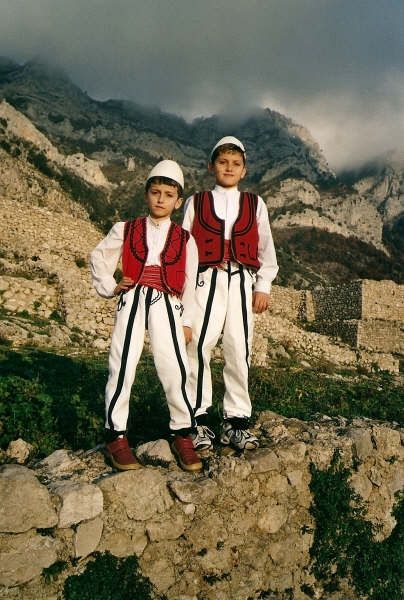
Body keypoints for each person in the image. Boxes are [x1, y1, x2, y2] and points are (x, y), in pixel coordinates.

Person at [90, 160, 202, 472]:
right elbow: (99, 257)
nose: (161, 199)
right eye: (155, 192)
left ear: (178, 202)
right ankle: (116, 435)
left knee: (174, 367)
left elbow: (191, 285)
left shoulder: (185, 239)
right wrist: (112, 286)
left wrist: (188, 322)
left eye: (168, 194)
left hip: (168, 302)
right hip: (134, 296)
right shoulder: (125, 228)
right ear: (146, 194)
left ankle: (182, 433)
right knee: (122, 362)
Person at [182, 136, 279, 452]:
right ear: (211, 166)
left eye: (235, 163)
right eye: (222, 162)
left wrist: (263, 285)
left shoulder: (255, 203)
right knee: (198, 345)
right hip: (205, 281)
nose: (229, 168)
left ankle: (236, 421)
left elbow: (266, 248)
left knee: (239, 349)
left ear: (244, 169)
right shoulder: (196, 202)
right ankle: (196, 420)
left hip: (240, 282)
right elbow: (183, 247)